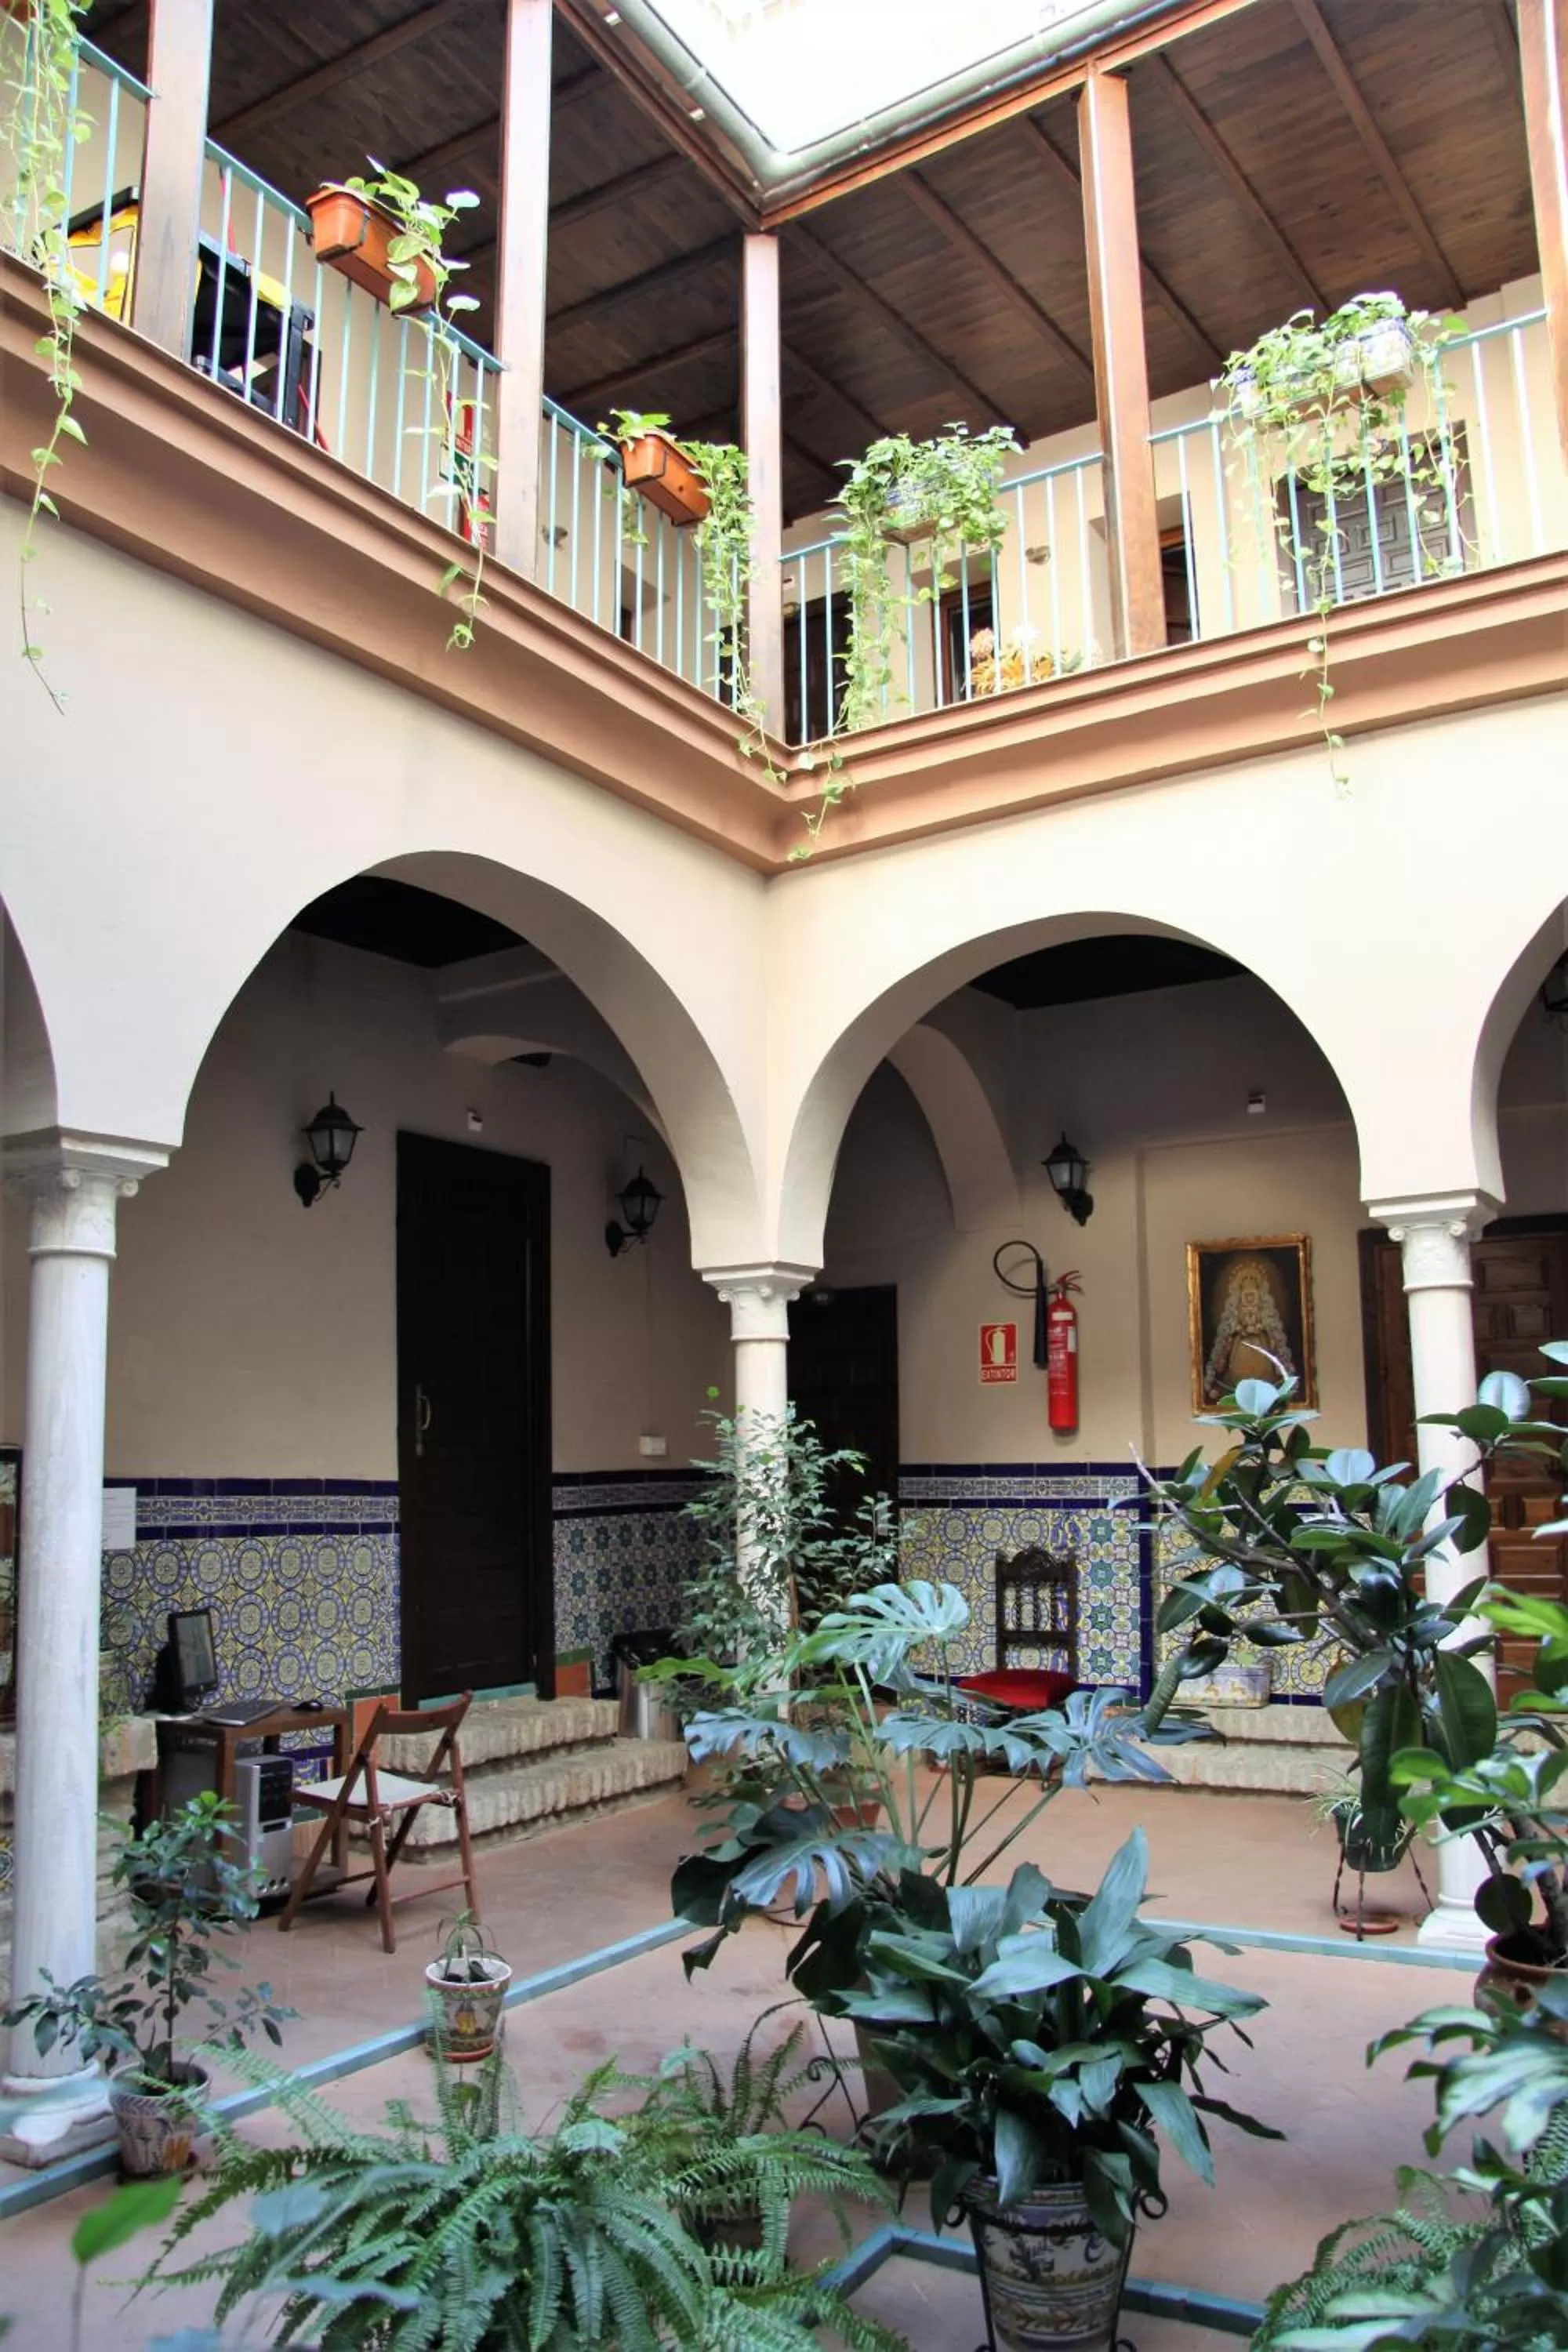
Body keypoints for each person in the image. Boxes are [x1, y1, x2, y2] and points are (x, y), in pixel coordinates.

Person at [1202, 1254, 1296, 1405]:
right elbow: (1232, 1327)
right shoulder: (1237, 1311)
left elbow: (1269, 1327)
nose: (1250, 1299)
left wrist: (1260, 1328)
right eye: (1246, 1295)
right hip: (1240, 1346)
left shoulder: (1263, 1311)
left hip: (1261, 1345)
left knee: (1264, 1373)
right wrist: (1240, 1329)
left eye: (1252, 1295)